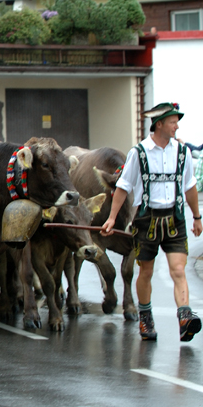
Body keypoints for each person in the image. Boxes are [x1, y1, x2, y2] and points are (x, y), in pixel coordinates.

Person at [102, 102, 202, 342]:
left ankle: (185, 318)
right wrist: (112, 218)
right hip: (146, 220)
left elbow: (189, 186)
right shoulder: (139, 152)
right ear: (160, 124)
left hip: (175, 219)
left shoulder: (183, 152)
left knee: (178, 270)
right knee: (145, 271)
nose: (177, 126)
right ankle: (146, 319)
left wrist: (197, 217)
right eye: (173, 122)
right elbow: (123, 187)